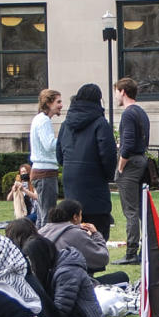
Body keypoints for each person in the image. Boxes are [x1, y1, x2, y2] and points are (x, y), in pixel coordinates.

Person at [57, 83, 118, 242]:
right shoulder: (100, 123)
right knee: (98, 229)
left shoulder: (66, 124)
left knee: (74, 228)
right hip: (95, 183)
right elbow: (108, 154)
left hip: (71, 181)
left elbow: (59, 154)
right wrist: (108, 175)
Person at [113, 77, 149, 261]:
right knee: (141, 210)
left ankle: (131, 252)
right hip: (141, 161)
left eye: (117, 91)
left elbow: (127, 145)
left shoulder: (128, 114)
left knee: (131, 211)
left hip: (131, 164)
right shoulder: (141, 112)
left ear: (123, 92)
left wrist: (120, 166)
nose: (116, 96)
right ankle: (144, 249)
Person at [39, 198, 110, 274]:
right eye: (80, 215)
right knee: (121, 276)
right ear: (75, 217)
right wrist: (96, 234)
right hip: (68, 281)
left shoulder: (41, 231)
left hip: (44, 281)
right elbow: (102, 258)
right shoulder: (76, 233)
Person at [30, 88, 63, 226]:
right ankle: (44, 245)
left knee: (42, 214)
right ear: (49, 103)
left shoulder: (40, 119)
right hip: (45, 173)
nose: (61, 105)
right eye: (58, 102)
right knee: (48, 216)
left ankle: (38, 243)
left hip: (41, 172)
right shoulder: (44, 121)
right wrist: (65, 141)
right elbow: (49, 145)